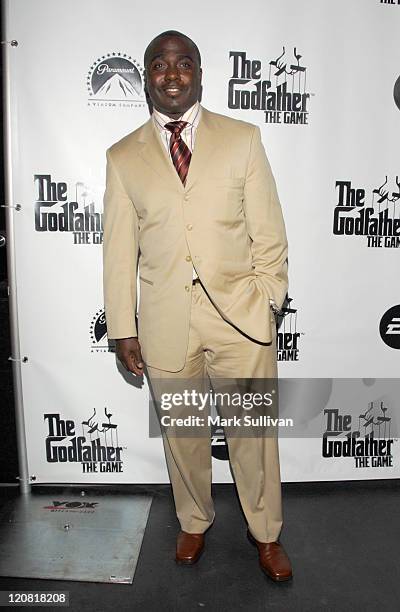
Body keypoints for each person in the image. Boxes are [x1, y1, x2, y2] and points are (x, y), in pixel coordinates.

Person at [103, 30, 292, 582]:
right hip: (165, 323)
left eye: (183, 64)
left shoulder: (243, 139)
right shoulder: (122, 157)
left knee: (253, 436)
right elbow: (119, 252)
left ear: (200, 74)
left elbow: (270, 235)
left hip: (241, 319)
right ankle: (193, 520)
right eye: (159, 65)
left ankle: (267, 534)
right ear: (146, 77)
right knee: (183, 435)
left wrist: (267, 301)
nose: (171, 74)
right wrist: (122, 326)